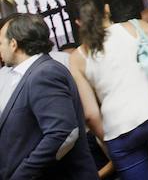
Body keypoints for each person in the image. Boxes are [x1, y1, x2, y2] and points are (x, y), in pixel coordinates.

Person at [68, 0, 148, 180]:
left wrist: (110, 140)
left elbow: (91, 114)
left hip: (118, 130)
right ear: (106, 9)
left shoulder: (77, 58)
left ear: (78, 22)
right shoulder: (136, 26)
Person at [0, 13, 98, 180]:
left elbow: (62, 132)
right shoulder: (30, 73)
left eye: (1, 43)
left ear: (14, 44)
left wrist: (23, 173)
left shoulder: (44, 73)